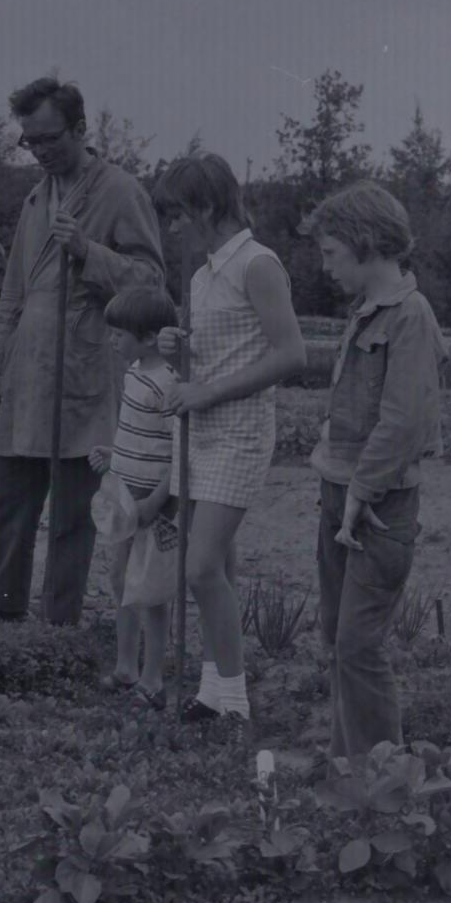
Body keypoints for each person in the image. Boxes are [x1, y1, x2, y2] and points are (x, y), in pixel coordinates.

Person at [0, 77, 165, 625]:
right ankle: (4, 614)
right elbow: (13, 288)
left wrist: (87, 251)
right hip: (25, 373)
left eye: (49, 140)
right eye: (29, 143)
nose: (39, 153)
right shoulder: (36, 197)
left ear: (81, 129)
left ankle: (58, 625)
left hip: (82, 371)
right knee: (7, 497)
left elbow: (152, 284)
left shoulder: (121, 191)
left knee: (72, 510)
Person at [153, 155, 307, 752]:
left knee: (198, 567)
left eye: (176, 217)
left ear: (208, 208)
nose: (172, 231)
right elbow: (208, 359)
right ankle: (214, 689)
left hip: (239, 432)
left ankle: (237, 703)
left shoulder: (257, 263)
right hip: (198, 430)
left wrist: (207, 389)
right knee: (216, 567)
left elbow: (291, 355)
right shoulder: (200, 275)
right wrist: (174, 348)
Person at [301, 180, 449, 760]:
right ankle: (349, 764)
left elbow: (404, 420)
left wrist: (362, 489)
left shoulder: (411, 316)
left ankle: (385, 779)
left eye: (330, 252)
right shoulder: (364, 313)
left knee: (360, 643)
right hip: (341, 493)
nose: (325, 265)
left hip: (379, 506)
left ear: (364, 244)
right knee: (339, 636)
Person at [90, 287, 181, 709]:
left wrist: (158, 500)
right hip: (123, 491)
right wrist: (114, 455)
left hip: (151, 502)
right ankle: (126, 664)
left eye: (119, 334)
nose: (112, 341)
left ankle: (153, 677)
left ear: (147, 338)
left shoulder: (170, 384)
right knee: (120, 579)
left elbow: (179, 452)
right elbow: (137, 437)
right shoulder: (132, 375)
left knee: (152, 588)